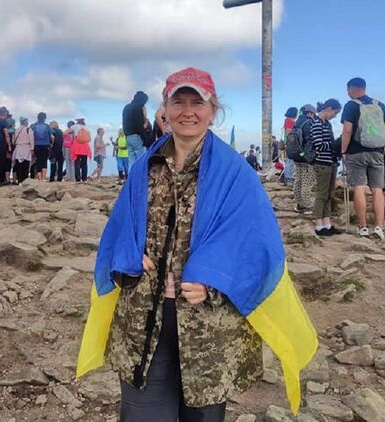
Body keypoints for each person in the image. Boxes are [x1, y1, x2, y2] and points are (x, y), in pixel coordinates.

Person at [79, 67, 317, 422]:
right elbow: (120, 229)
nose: (187, 111)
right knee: (142, 414)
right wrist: (129, 256)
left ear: (212, 110)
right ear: (165, 109)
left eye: (197, 102)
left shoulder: (236, 173)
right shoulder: (145, 166)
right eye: (179, 102)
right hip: (144, 317)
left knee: (202, 415)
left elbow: (254, 244)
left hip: (208, 328)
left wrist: (213, 283)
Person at [340, 77, 385, 240]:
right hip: (377, 151)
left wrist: (344, 151)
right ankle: (379, 227)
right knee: (377, 189)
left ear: (351, 89)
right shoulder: (380, 105)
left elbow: (347, 130)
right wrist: (382, 148)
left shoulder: (351, 105)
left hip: (356, 152)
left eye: (348, 90)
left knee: (359, 188)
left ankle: (363, 227)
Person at [309, 99, 343, 236]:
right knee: (322, 194)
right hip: (322, 163)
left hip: (330, 162)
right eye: (335, 113)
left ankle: (327, 224)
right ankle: (319, 225)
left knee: (329, 194)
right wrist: (335, 144)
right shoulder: (317, 123)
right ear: (329, 108)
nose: (335, 116)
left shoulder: (326, 124)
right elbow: (318, 145)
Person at [292, 104, 316, 214]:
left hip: (296, 156)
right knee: (307, 181)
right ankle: (307, 206)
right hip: (306, 157)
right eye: (313, 114)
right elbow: (311, 140)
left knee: (298, 180)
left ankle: (299, 204)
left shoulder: (296, 123)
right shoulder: (309, 123)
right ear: (310, 113)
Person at [123, 91, 149, 166]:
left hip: (128, 136)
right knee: (140, 160)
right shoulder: (138, 108)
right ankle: (139, 174)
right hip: (136, 136)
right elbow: (139, 125)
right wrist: (145, 140)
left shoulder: (126, 107)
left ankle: (131, 174)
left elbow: (124, 122)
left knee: (131, 161)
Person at [0, 107, 11, 186]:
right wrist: (9, 145)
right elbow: (6, 134)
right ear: (5, 113)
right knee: (1, 162)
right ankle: (0, 180)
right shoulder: (4, 122)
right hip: (2, 144)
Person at [31, 112, 52, 181]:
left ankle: (39, 178)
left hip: (36, 144)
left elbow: (32, 135)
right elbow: (50, 136)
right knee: (44, 160)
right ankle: (44, 177)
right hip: (45, 144)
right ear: (44, 118)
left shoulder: (34, 126)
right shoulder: (47, 126)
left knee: (38, 160)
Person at [13, 117, 34, 184]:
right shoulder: (28, 129)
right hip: (26, 147)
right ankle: (24, 180)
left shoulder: (16, 130)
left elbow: (13, 140)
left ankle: (19, 179)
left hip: (18, 148)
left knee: (18, 165)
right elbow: (31, 139)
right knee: (26, 164)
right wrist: (32, 149)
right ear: (26, 122)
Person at [280, 107, 298, 184]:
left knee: (289, 161)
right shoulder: (289, 121)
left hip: (288, 143)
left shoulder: (287, 120)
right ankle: (288, 177)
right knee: (290, 162)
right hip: (291, 144)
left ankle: (287, 176)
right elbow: (289, 133)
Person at [71, 118, 92, 182]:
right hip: (85, 147)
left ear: (77, 121)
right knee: (84, 164)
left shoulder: (74, 126)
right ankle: (84, 178)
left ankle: (78, 178)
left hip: (77, 147)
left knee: (77, 163)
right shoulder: (86, 128)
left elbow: (66, 132)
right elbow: (89, 139)